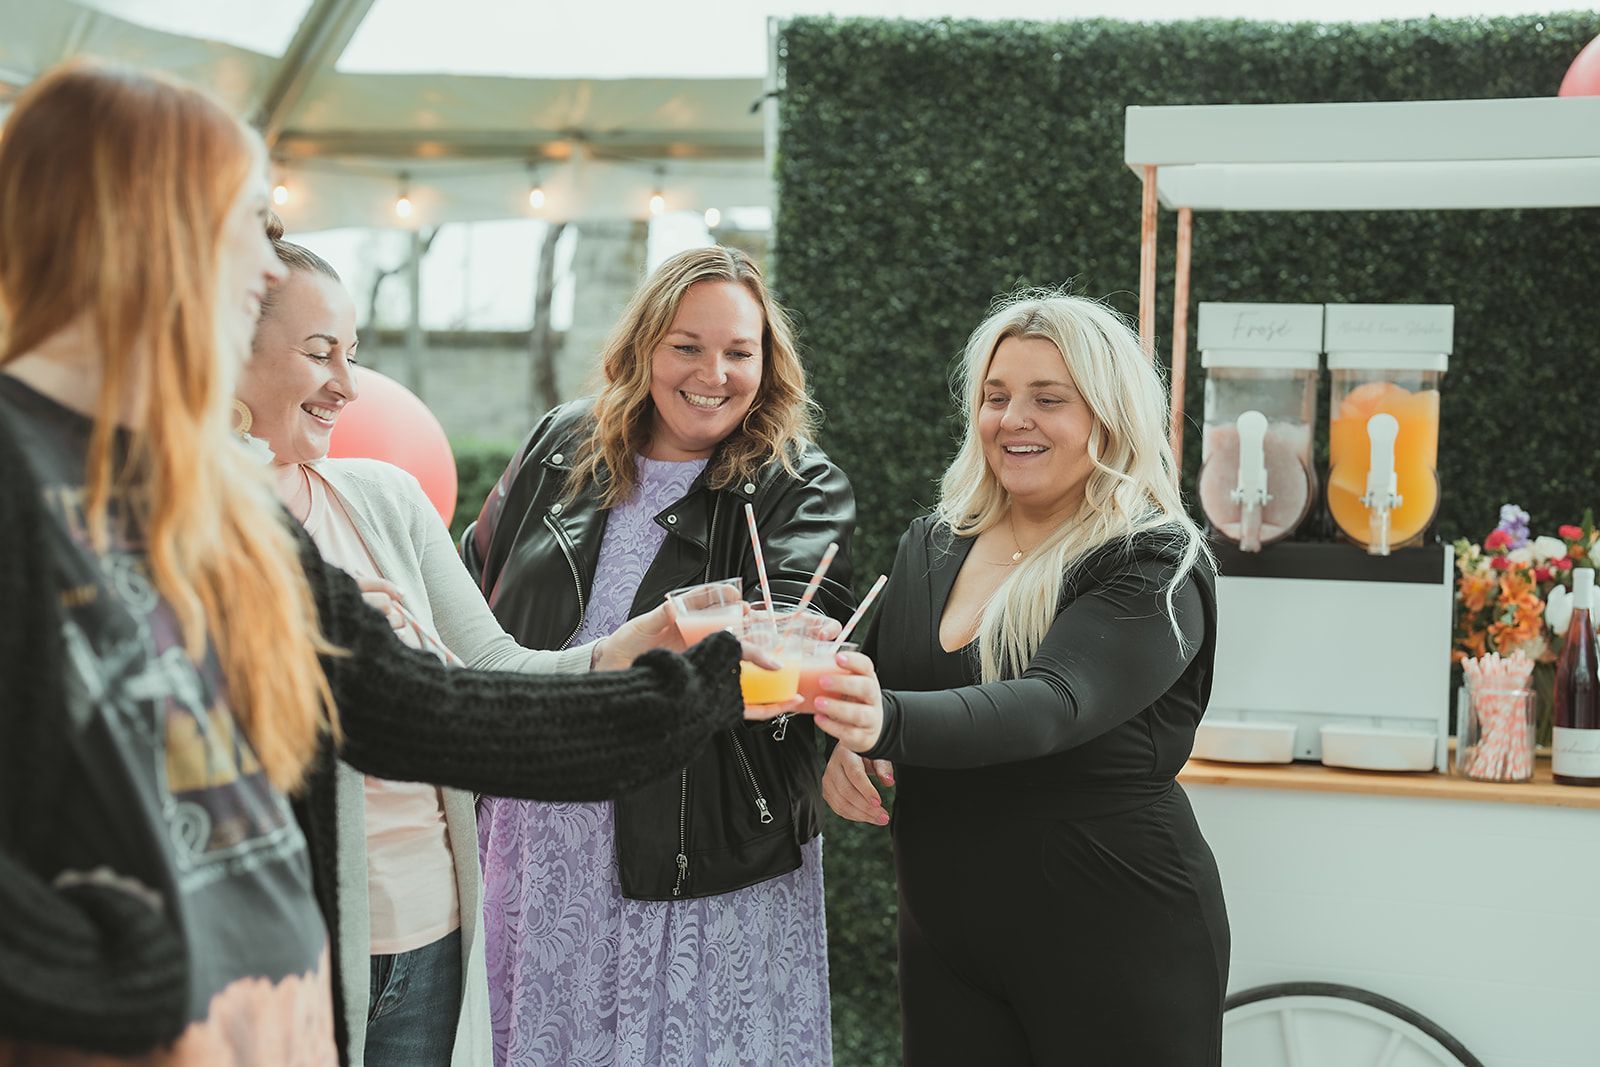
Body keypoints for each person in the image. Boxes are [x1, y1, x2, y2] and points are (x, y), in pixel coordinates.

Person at [0, 60, 749, 1065]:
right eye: (246, 228)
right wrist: (143, 980)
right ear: (143, 225)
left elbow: (413, 706)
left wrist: (692, 688)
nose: (266, 271)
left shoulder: (209, 489)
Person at [234, 218, 710, 1065]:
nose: (348, 384)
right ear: (230, 344)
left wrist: (638, 642)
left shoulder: (382, 499)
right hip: (279, 944)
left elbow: (494, 671)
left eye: (353, 351)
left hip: (431, 933)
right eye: (319, 352)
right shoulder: (182, 529)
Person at [463, 246, 856, 1065]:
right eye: (687, 345)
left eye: (739, 352)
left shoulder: (798, 484)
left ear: (767, 362)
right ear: (644, 346)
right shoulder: (559, 445)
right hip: (538, 837)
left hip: (695, 843)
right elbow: (473, 592)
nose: (713, 372)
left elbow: (789, 635)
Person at [815, 293, 1230, 1066]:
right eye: (996, 397)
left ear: (1108, 417)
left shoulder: (1153, 560)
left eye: (1049, 399)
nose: (1014, 419)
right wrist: (842, 739)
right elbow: (878, 682)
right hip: (946, 941)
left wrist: (886, 721)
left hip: (1114, 934)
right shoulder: (933, 543)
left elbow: (1053, 704)